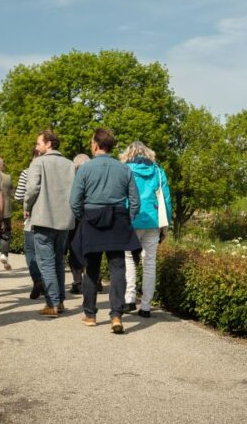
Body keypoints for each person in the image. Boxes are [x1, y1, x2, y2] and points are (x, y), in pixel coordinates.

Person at [69, 128, 140, 334]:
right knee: (118, 267)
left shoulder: (85, 169)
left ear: (96, 145)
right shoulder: (124, 169)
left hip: (92, 218)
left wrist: (83, 218)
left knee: (91, 268)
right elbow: (135, 200)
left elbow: (74, 201)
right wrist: (129, 219)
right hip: (118, 218)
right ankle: (116, 315)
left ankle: (90, 315)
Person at [24, 130, 75, 316]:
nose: (36, 147)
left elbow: (31, 189)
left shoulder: (38, 162)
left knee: (46, 262)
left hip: (43, 217)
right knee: (58, 261)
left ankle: (52, 303)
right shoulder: (70, 165)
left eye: (39, 143)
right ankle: (59, 301)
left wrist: (26, 206)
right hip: (64, 219)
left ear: (49, 144)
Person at [119, 141, 172, 318]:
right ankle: (147, 306)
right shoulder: (157, 170)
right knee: (150, 262)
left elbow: (121, 195)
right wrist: (166, 223)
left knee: (128, 259)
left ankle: (129, 298)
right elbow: (166, 198)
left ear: (129, 153)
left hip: (131, 219)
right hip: (153, 220)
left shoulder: (125, 169)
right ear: (147, 153)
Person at [15, 146, 44, 299]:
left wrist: (27, 204)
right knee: (47, 252)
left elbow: (19, 195)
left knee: (31, 250)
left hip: (32, 217)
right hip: (52, 218)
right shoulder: (53, 172)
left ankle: (37, 279)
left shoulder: (27, 172)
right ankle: (48, 283)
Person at [67, 154, 91, 294]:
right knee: (92, 249)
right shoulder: (94, 173)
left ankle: (78, 282)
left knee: (75, 249)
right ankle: (96, 280)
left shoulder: (73, 175)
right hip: (92, 216)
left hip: (76, 217)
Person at [0, 156, 13, 270]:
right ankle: (4, 254)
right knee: (6, 234)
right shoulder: (7, 177)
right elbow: (11, 192)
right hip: (6, 210)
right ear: (1, 165)